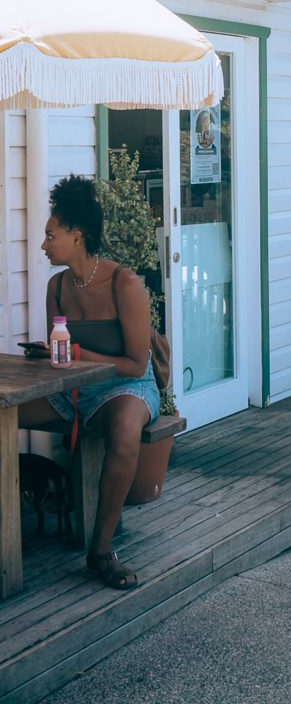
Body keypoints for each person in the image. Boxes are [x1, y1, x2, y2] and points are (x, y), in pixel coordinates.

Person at [19, 175, 160, 591]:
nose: (44, 244)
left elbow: (135, 364)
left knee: (124, 430)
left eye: (50, 235)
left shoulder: (125, 283)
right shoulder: (56, 287)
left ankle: (100, 551)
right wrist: (51, 357)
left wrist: (77, 356)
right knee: (7, 412)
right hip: (73, 389)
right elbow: (61, 359)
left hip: (124, 388)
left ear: (76, 236)